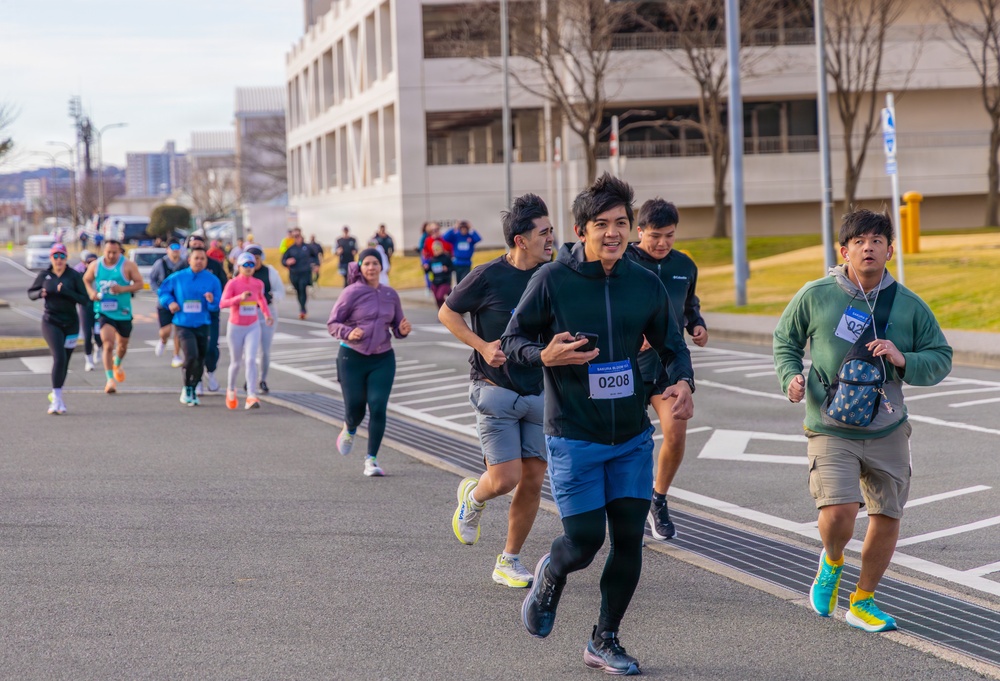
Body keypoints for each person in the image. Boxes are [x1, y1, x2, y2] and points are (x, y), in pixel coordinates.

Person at [501, 174, 694, 675]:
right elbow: (513, 339)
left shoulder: (643, 283)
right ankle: (552, 570)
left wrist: (683, 382)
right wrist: (545, 354)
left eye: (621, 224)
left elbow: (672, 344)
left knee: (630, 538)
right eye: (602, 224)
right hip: (574, 434)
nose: (614, 233)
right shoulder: (552, 281)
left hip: (630, 436)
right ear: (580, 229)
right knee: (584, 542)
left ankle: (604, 640)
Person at [773, 208, 952, 634]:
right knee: (838, 515)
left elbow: (941, 357)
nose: (868, 247)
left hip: (887, 427)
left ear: (891, 249)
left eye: (877, 240)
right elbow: (785, 340)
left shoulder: (908, 305)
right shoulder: (816, 294)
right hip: (829, 426)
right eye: (859, 241)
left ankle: (863, 600)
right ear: (844, 250)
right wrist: (791, 377)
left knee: (887, 517)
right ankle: (832, 561)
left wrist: (902, 357)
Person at [440, 193, 554, 588]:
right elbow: (447, 311)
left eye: (551, 229)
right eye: (543, 232)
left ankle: (509, 560)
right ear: (521, 240)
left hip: (540, 392)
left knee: (534, 479)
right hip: (495, 390)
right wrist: (482, 345)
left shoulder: (553, 275)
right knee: (505, 479)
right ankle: (473, 498)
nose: (550, 238)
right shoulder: (487, 275)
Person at [624, 198, 708, 541]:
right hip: (626, 368)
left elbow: (689, 302)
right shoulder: (623, 261)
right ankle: (625, 505)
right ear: (640, 231)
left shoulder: (684, 265)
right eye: (655, 235)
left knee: (676, 432)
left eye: (669, 236)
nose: (662, 243)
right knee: (628, 443)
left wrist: (696, 324)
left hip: (667, 367)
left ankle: (658, 499)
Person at [327, 248, 412, 477]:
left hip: (383, 357)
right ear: (360, 267)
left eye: (375, 263)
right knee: (355, 408)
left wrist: (402, 331)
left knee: (377, 406)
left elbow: (396, 325)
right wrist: (347, 332)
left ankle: (371, 460)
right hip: (352, 357)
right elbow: (333, 323)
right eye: (367, 264)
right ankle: (350, 426)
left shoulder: (390, 294)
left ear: (381, 266)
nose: (372, 268)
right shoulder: (351, 292)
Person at [28, 243, 90, 414]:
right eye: (55, 256)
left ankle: (58, 395)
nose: (59, 260)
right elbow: (31, 293)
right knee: (59, 357)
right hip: (51, 322)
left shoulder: (74, 276)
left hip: (71, 323)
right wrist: (40, 293)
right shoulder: (45, 275)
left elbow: (85, 300)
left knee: (65, 362)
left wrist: (67, 292)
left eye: (62, 256)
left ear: (66, 258)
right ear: (51, 258)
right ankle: (55, 399)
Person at [159, 247, 222, 406]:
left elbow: (217, 305)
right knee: (191, 355)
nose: (199, 261)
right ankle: (186, 388)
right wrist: (170, 302)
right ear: (189, 260)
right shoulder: (178, 277)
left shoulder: (212, 280)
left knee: (201, 358)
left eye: (202, 259)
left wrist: (211, 301)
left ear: (206, 261)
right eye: (196, 258)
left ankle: (193, 388)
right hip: (183, 323)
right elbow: (163, 291)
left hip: (203, 323)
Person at [83, 239, 144, 394]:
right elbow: (86, 279)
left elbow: (139, 284)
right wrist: (91, 293)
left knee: (122, 346)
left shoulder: (128, 265)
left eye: (114, 252)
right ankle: (110, 380)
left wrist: (123, 289)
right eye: (108, 252)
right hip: (104, 312)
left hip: (123, 312)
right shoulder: (96, 265)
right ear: (103, 251)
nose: (110, 255)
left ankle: (117, 362)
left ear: (120, 252)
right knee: (108, 344)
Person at [219, 253, 274, 410]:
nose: (249, 268)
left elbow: (261, 299)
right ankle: (230, 389)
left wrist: (267, 315)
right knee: (236, 363)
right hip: (235, 326)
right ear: (239, 267)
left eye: (251, 265)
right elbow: (222, 303)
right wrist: (239, 298)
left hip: (253, 326)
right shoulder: (233, 284)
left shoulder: (258, 283)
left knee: (250, 360)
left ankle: (251, 395)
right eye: (245, 265)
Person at [183, 234, 229, 393]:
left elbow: (224, 286)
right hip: (189, 317)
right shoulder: (184, 267)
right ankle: (197, 380)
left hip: (210, 314)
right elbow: (171, 288)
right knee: (194, 350)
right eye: (193, 244)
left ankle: (211, 372)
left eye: (199, 244)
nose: (198, 260)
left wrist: (214, 299)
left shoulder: (214, 266)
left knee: (211, 347)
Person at [246, 244, 285, 394]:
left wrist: (270, 296)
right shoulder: (242, 273)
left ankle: (262, 379)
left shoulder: (270, 272)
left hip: (266, 312)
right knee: (249, 350)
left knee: (265, 350)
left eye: (256, 259)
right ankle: (249, 378)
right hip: (248, 313)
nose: (253, 263)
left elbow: (280, 291)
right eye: (250, 259)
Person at [148, 241, 186, 369]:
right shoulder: (161, 263)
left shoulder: (184, 263)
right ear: (167, 250)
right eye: (173, 247)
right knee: (166, 331)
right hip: (164, 301)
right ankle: (163, 341)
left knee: (179, 330)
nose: (175, 250)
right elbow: (152, 279)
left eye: (178, 247)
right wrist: (158, 292)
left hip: (180, 301)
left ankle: (176, 355)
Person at [73, 250, 101, 372]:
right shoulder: (80, 274)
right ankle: (88, 360)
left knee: (99, 333)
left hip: (99, 307)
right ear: (84, 263)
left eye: (95, 261)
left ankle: (99, 347)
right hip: (85, 307)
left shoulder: (101, 273)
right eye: (89, 262)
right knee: (87, 335)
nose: (92, 264)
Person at [282, 230, 319, 320]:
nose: (297, 238)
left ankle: (303, 309)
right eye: (295, 237)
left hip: (305, 272)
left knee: (303, 288)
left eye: (298, 236)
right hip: (294, 273)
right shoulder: (291, 249)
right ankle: (302, 306)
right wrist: (287, 262)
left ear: (301, 237)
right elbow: (283, 260)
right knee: (298, 290)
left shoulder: (307, 247)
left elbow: (315, 256)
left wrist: (316, 265)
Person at [442, 219, 482, 284]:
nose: (464, 230)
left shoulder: (470, 237)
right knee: (458, 281)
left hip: (466, 263)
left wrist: (471, 228)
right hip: (457, 263)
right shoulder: (456, 236)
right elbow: (445, 237)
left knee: (465, 281)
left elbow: (478, 239)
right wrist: (454, 227)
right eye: (462, 228)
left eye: (465, 228)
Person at [423, 240, 453, 308]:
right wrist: (426, 268)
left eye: (437, 249)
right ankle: (441, 314)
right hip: (435, 282)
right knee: (437, 299)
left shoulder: (446, 257)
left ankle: (449, 309)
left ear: (441, 249)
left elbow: (452, 268)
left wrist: (447, 269)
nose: (436, 251)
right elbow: (428, 271)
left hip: (444, 281)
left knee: (440, 297)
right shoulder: (432, 259)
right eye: (434, 249)